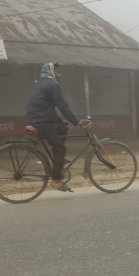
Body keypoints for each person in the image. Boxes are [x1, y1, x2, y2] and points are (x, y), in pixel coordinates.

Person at [25, 63, 86, 191]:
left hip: (35, 119)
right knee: (60, 148)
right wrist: (75, 121)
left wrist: (60, 121)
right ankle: (55, 180)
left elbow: (47, 106)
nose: (60, 74)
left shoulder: (38, 83)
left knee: (62, 129)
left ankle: (58, 161)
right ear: (51, 73)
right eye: (58, 72)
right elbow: (62, 105)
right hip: (42, 123)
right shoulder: (52, 85)